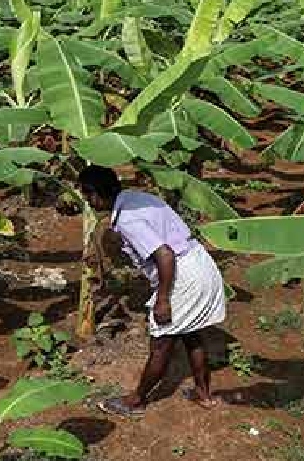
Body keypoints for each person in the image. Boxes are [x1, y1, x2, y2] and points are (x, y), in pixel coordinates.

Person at [77, 165, 227, 416]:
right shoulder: (136, 199)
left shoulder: (127, 219)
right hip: (199, 262)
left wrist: (163, 300)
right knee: (191, 334)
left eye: (86, 196)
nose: (87, 202)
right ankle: (203, 395)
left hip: (182, 273)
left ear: (95, 195)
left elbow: (165, 255)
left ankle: (135, 401)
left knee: (161, 344)